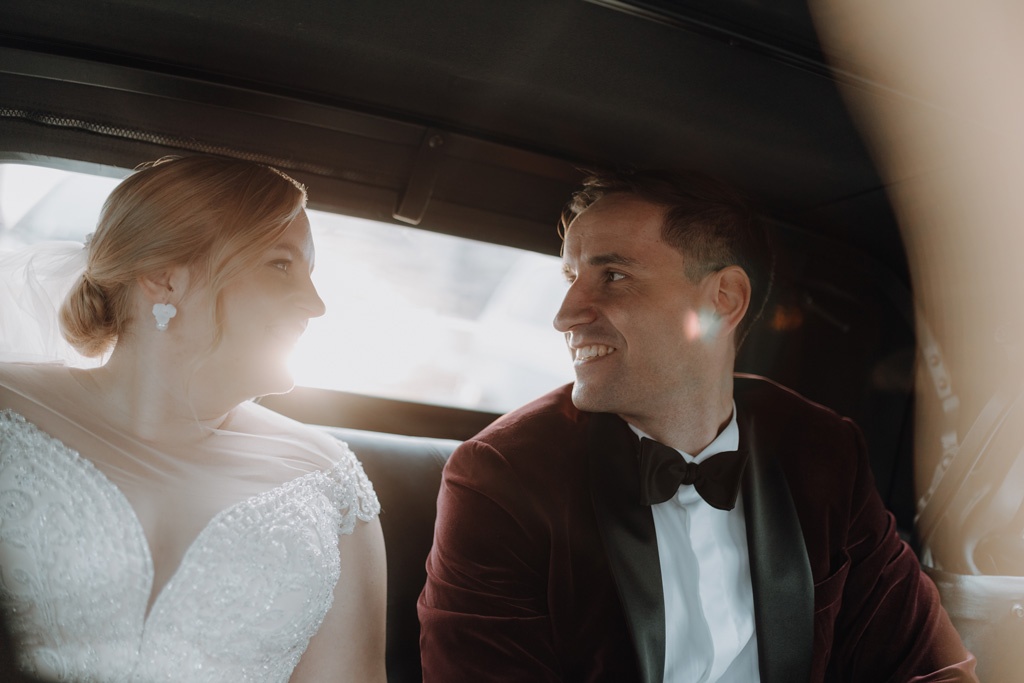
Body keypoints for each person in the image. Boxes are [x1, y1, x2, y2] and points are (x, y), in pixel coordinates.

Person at [417, 169, 977, 682]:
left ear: (722, 301)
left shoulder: (821, 450)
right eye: (570, 276)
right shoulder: (501, 478)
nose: (564, 314)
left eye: (612, 275)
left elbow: (930, 668)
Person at [0, 156, 387, 682]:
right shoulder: (9, 413)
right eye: (281, 264)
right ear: (164, 280)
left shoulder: (331, 487)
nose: (315, 305)